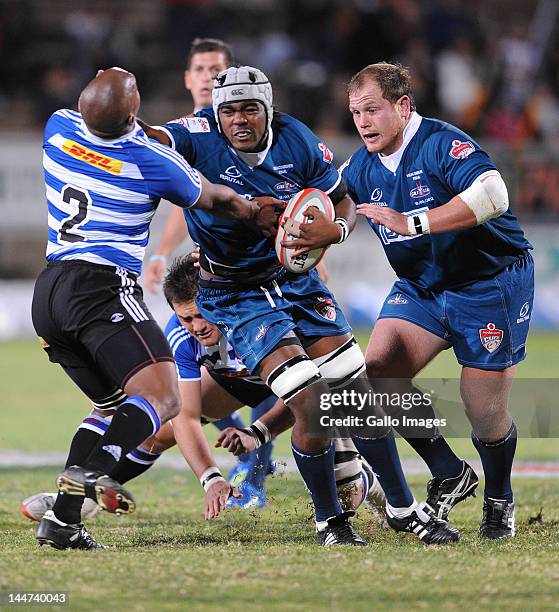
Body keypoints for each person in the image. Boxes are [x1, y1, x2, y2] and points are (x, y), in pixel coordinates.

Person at [142, 65, 459, 546]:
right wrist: (117, 116)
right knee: (310, 401)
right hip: (235, 293)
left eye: (250, 108)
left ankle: (402, 507)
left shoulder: (297, 140)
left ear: (269, 110)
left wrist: (337, 230)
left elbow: (341, 199)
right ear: (215, 112)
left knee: (356, 397)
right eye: (229, 110)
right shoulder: (196, 134)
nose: (239, 119)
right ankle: (330, 520)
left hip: (296, 279)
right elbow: (151, 136)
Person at [31, 67, 277, 550]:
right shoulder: (149, 158)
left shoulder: (57, 127)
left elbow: (101, 116)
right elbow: (214, 198)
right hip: (100, 286)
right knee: (164, 397)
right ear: (134, 111)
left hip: (49, 292)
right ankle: (92, 474)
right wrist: (254, 211)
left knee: (111, 405)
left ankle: (62, 522)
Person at [22, 255, 387, 522]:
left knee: (347, 489)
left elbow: (308, 398)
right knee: (157, 432)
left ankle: (373, 482)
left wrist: (258, 432)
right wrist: (211, 478)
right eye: (185, 317)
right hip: (245, 380)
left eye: (201, 314)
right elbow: (186, 417)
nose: (196, 326)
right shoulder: (181, 335)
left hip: (314, 387)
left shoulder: (258, 316)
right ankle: (81, 500)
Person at [341, 62, 533, 539]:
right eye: (355, 112)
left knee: (482, 410)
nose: (363, 122)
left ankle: (499, 497)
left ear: (403, 107)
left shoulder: (442, 143)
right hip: (422, 288)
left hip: (488, 284)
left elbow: (495, 194)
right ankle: (450, 471)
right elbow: (333, 202)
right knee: (379, 374)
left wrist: (414, 222)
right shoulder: (359, 165)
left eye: (373, 110)